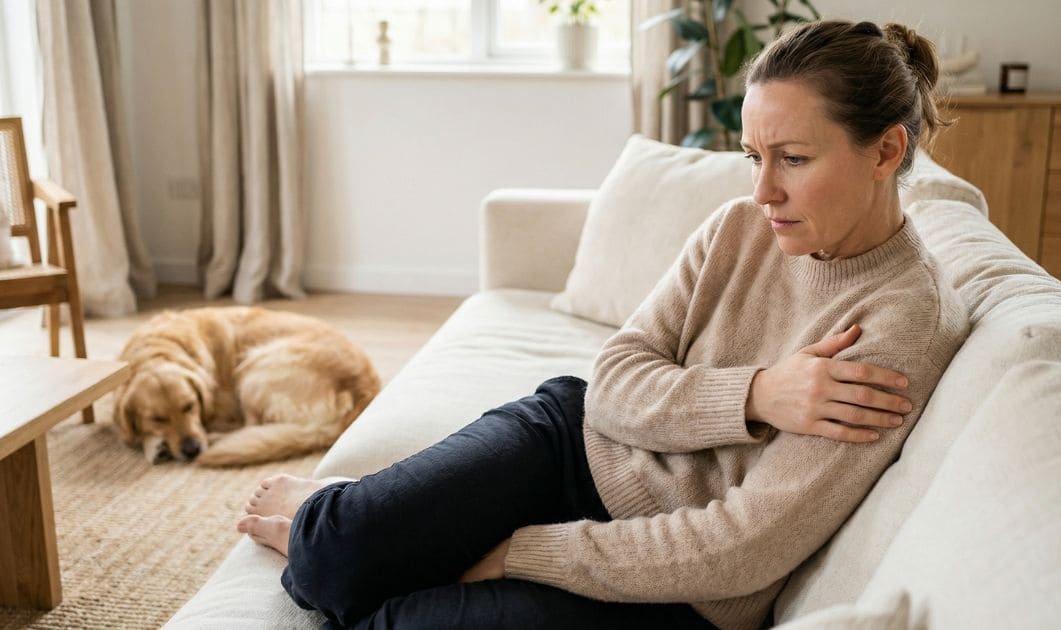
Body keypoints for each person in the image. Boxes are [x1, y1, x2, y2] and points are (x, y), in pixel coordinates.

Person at [236, 19, 969, 629]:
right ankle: (334, 515)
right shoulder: (738, 229)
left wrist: (522, 553)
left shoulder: (899, 323)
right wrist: (754, 394)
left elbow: (740, 547)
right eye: (753, 157)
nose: (762, 191)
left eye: (794, 159)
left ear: (886, 151)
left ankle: (354, 523)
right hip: (574, 444)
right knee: (332, 556)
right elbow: (613, 383)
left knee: (394, 615)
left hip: (676, 588)